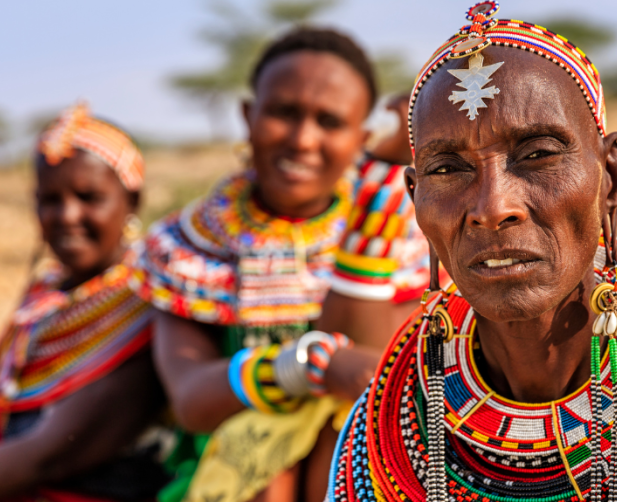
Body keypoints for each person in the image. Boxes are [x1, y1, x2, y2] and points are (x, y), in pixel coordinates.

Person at [327, 2, 617, 501]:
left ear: (610, 177)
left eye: (538, 154)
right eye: (447, 169)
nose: (493, 207)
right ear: (415, 199)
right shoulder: (382, 426)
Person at [130, 28, 431, 502]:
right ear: (248, 117)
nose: (302, 139)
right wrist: (307, 366)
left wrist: (376, 204)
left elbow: (373, 369)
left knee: (348, 436)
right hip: (226, 471)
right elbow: (191, 400)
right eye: (283, 113)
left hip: (339, 462)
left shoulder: (404, 239)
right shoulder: (185, 247)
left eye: (329, 121)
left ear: (361, 138)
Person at [0, 103, 168, 502]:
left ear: (132, 201)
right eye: (49, 199)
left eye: (89, 197)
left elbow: (49, 455)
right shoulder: (43, 297)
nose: (67, 215)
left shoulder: (147, 304)